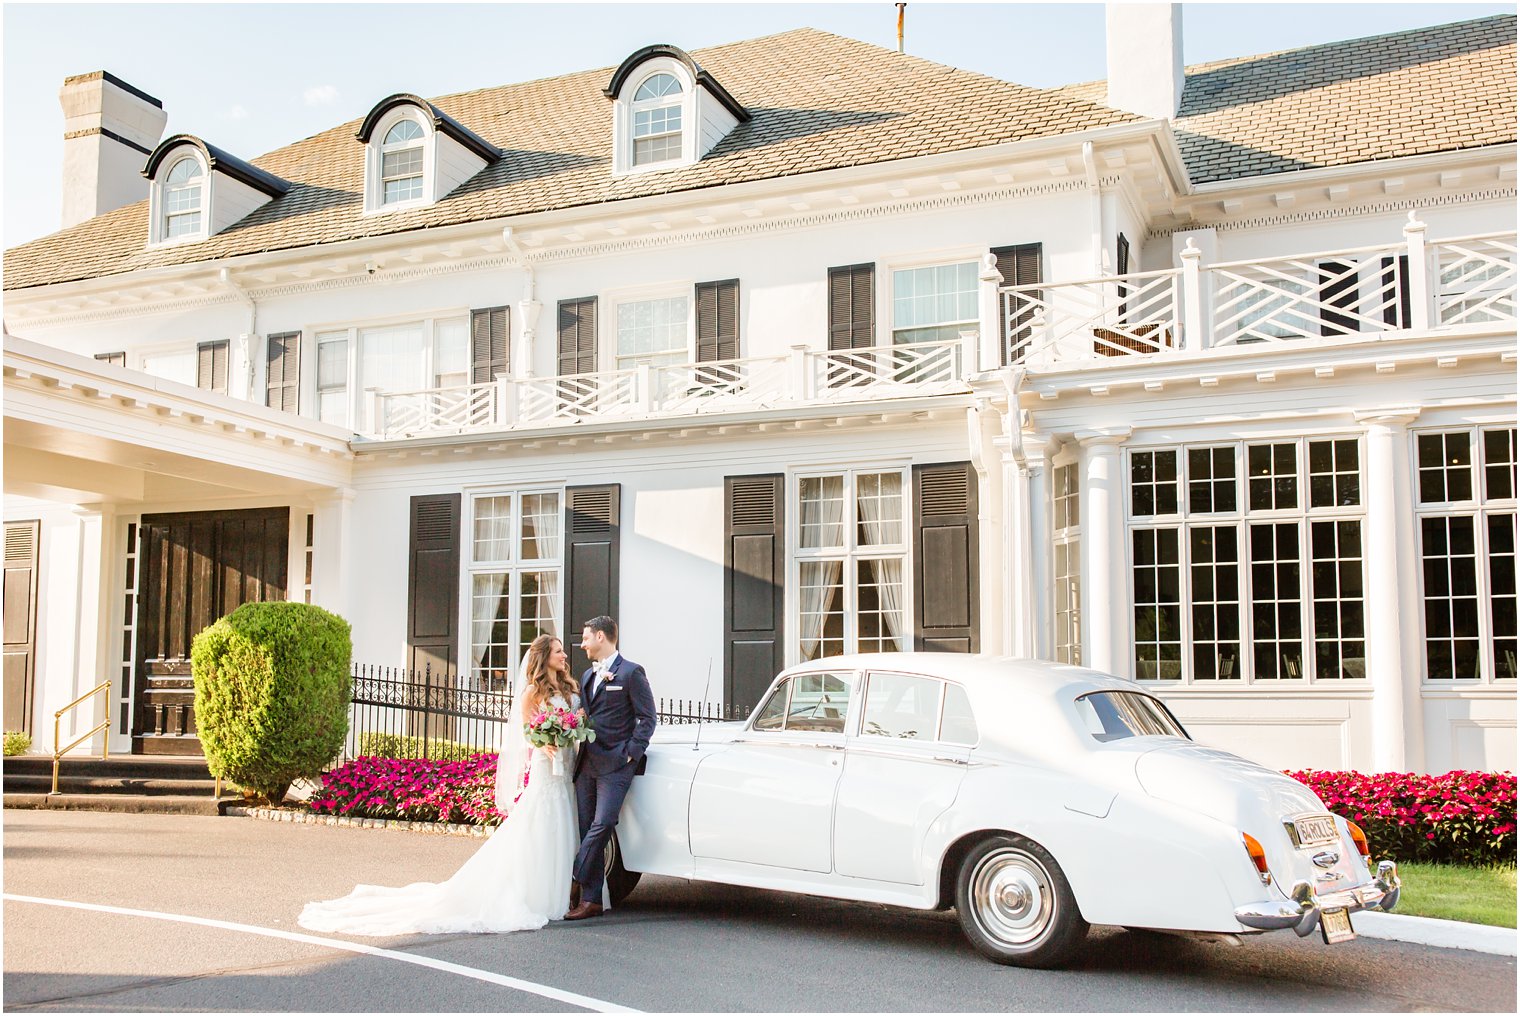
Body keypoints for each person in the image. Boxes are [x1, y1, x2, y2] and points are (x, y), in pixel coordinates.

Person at [297, 634, 580, 936]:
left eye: (563, 651)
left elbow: (575, 718)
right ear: (544, 657)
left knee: (563, 825)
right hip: (544, 767)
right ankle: (537, 893)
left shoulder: (569, 687)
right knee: (541, 827)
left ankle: (561, 892)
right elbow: (526, 731)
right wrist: (544, 742)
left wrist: (572, 730)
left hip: (567, 769)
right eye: (559, 651)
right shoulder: (531, 694)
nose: (564, 656)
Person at [565, 615, 657, 921]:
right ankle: (590, 900)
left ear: (602, 637)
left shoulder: (631, 673)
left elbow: (647, 718)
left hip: (616, 765)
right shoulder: (588, 676)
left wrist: (631, 753)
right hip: (586, 764)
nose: (582, 644)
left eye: (586, 637)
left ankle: (576, 874)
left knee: (603, 824)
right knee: (586, 828)